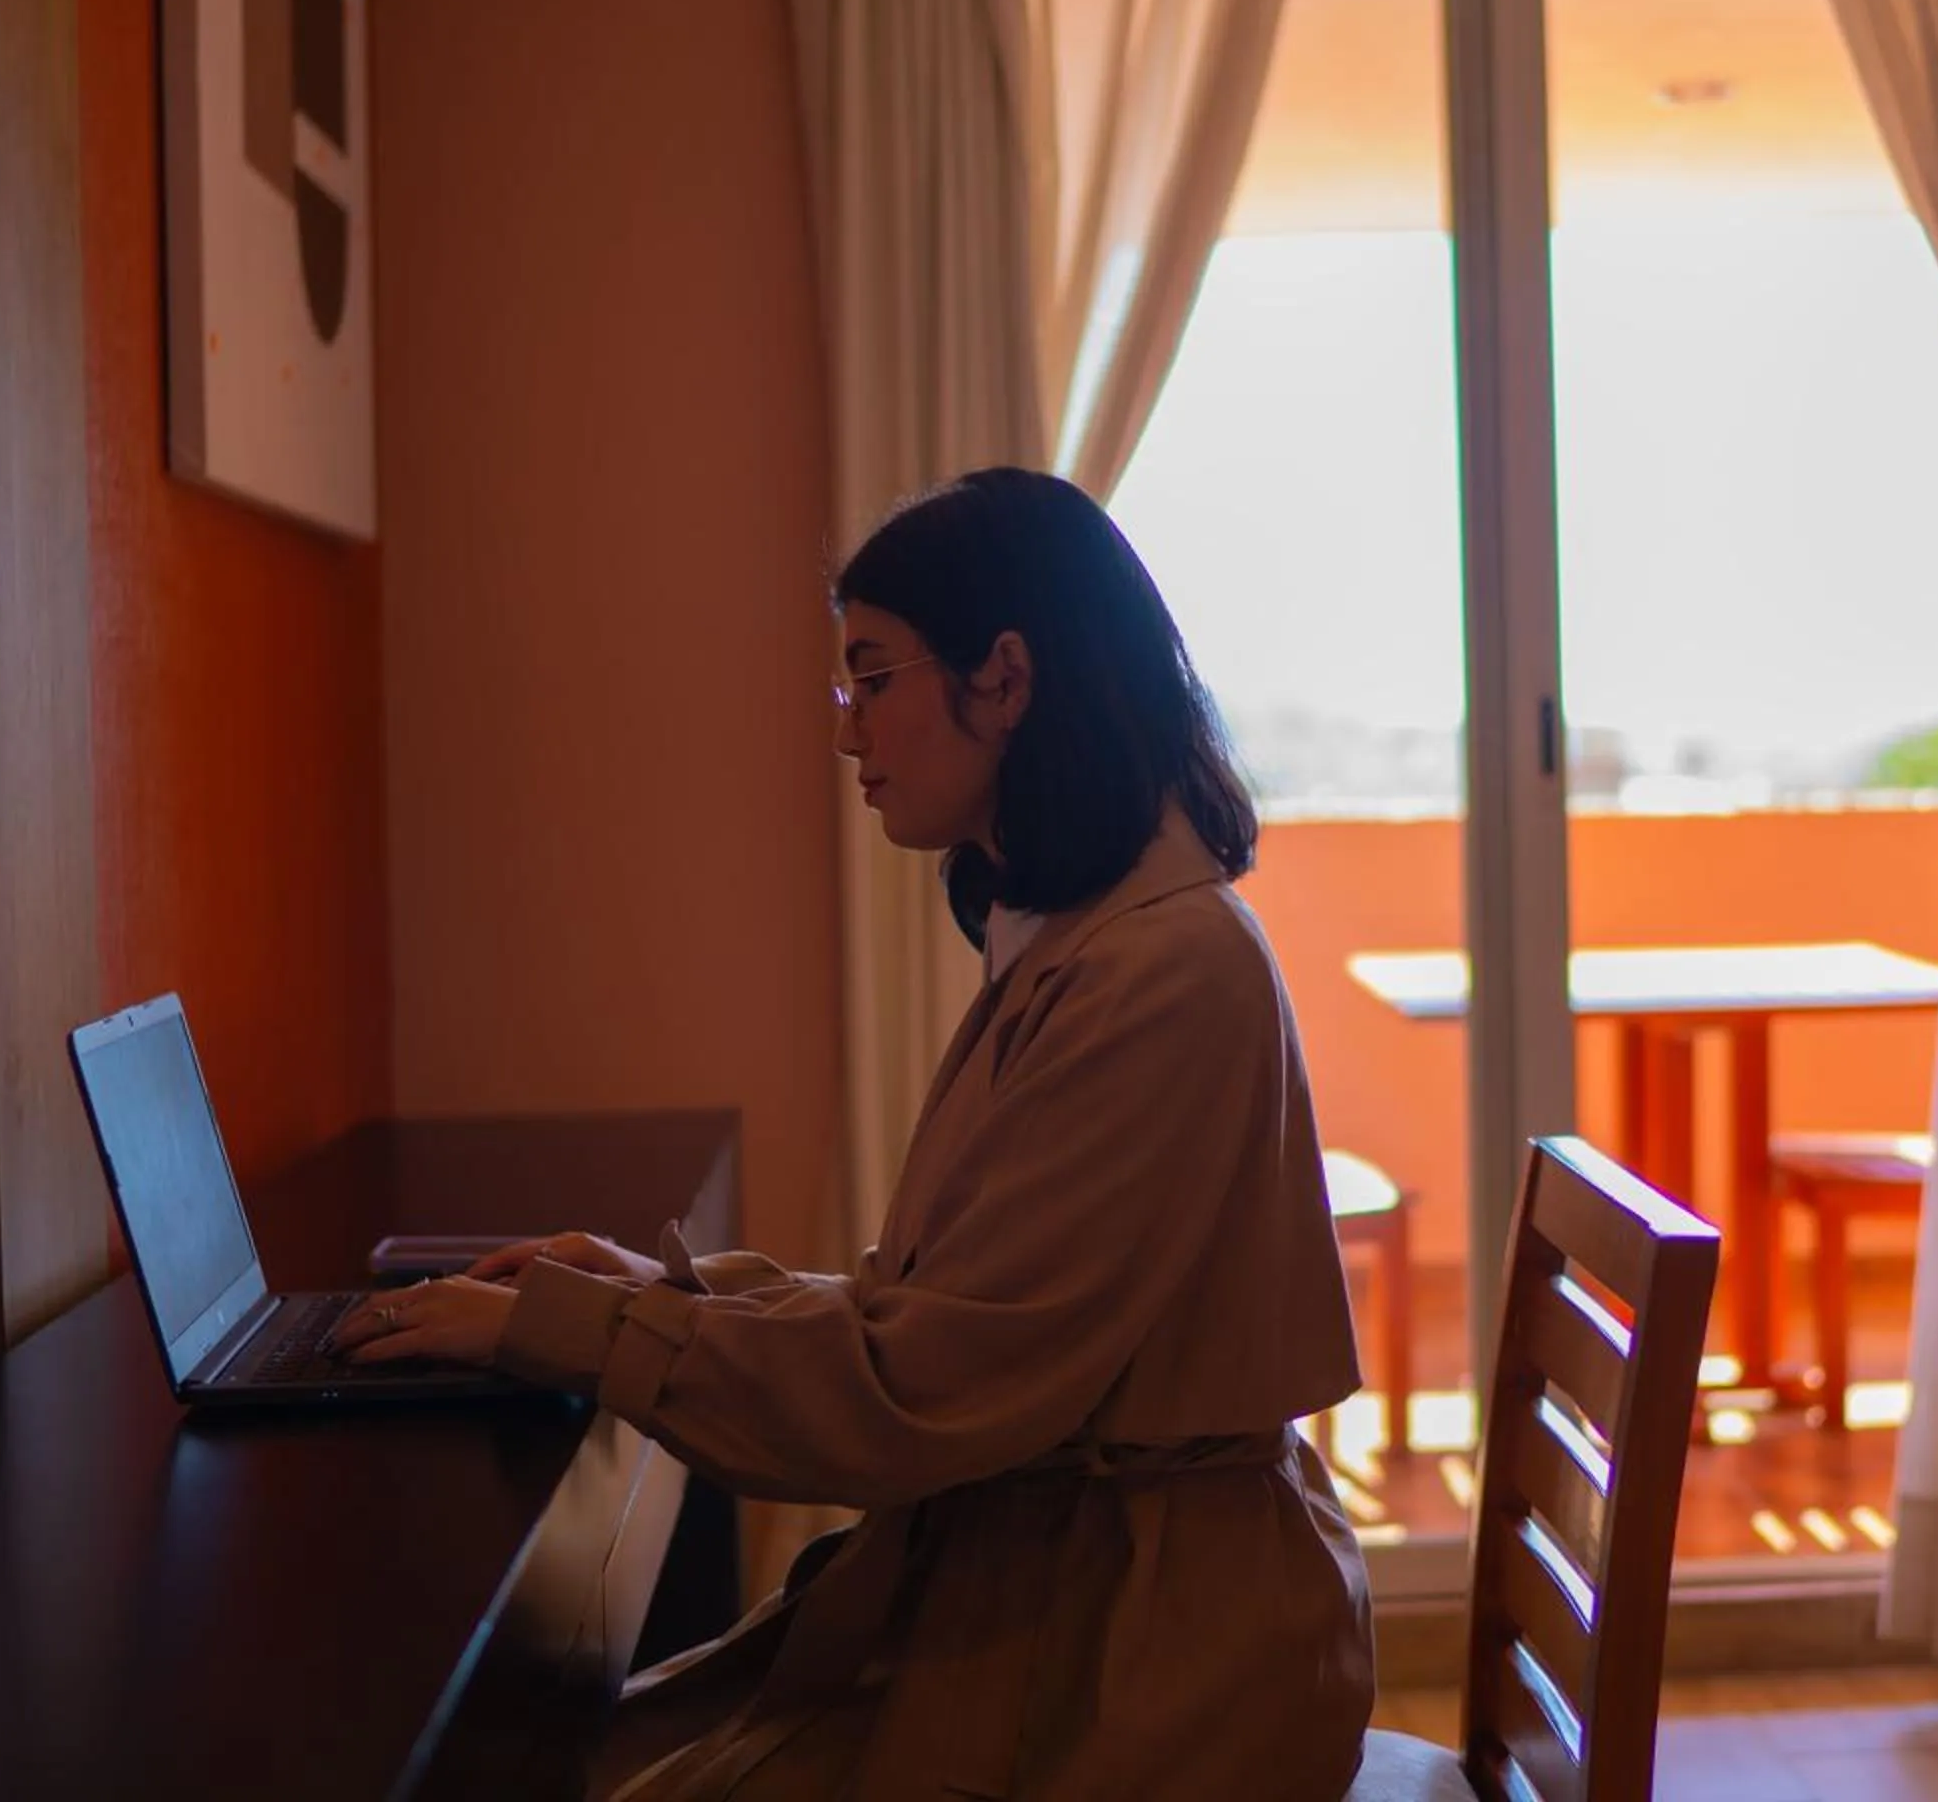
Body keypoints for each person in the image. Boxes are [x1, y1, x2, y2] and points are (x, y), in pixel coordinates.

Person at [329, 467, 1375, 1800]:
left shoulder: (1163, 973)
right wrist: (649, 1292)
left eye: (871, 677)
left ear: (1002, 680)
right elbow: (945, 1322)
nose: (847, 730)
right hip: (1078, 1596)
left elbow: (921, 1392)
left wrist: (588, 1335)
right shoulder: (1089, 941)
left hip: (1151, 1662)